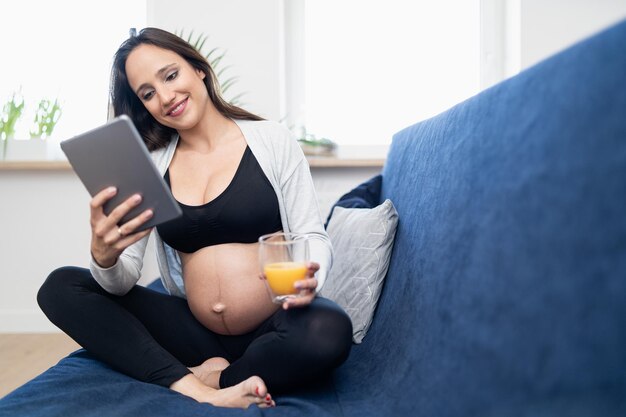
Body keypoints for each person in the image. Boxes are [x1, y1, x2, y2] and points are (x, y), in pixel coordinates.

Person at [37, 27, 352, 409]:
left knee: (328, 331)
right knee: (60, 286)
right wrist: (104, 258)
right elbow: (121, 283)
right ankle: (194, 388)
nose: (166, 97)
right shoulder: (149, 166)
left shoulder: (271, 140)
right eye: (148, 94)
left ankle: (216, 377)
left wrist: (309, 276)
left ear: (198, 69)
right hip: (194, 332)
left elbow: (310, 233)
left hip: (274, 321)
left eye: (170, 75)